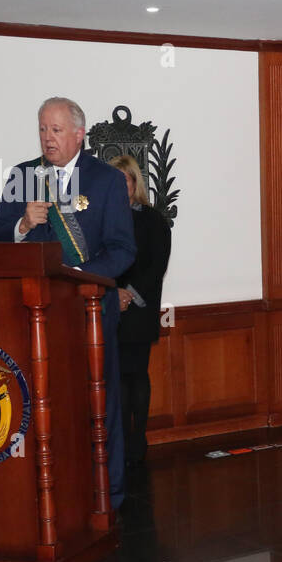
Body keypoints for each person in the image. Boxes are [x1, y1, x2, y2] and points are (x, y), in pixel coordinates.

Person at [0, 96, 136, 512]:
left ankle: (108, 493)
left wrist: (81, 277)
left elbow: (123, 250)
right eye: (41, 130)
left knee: (97, 401)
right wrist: (22, 224)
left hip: (89, 310)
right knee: (42, 401)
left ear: (78, 134)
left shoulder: (105, 179)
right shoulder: (24, 176)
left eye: (55, 130)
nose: (47, 138)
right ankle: (50, 490)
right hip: (36, 312)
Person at [107, 154, 172, 467]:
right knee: (116, 378)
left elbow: (155, 267)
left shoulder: (153, 220)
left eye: (126, 180)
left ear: (136, 182)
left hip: (139, 309)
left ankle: (138, 439)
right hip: (109, 308)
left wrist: (127, 295)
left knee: (136, 375)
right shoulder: (103, 219)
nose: (121, 187)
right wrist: (111, 294)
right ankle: (118, 440)